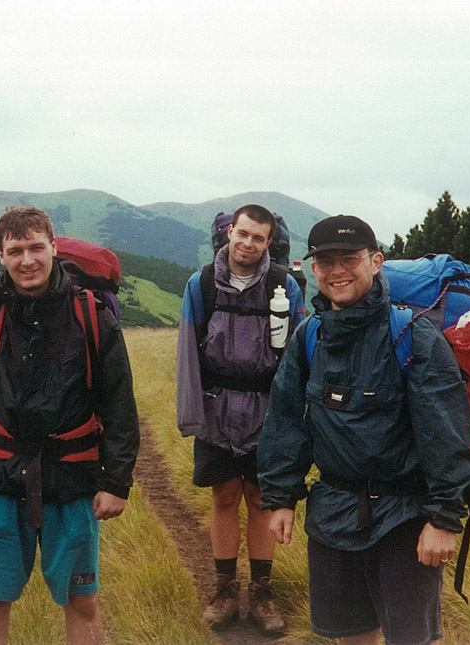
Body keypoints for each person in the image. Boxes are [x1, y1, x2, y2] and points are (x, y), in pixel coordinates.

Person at [257, 215, 470, 645]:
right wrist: (280, 497)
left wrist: (444, 519)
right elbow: (285, 420)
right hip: (333, 514)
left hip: (405, 519)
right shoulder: (309, 337)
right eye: (326, 262)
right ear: (313, 269)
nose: (337, 271)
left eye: (350, 259)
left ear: (376, 262)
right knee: (352, 636)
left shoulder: (413, 336)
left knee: (413, 640)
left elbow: (446, 433)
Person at [0, 207, 140, 645]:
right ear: (0, 255)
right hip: (1, 481)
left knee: (81, 602)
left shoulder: (93, 319)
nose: (27, 260)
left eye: (35, 248)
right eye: (15, 251)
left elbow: (120, 406)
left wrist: (116, 481)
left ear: (53, 248)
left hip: (73, 482)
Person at [175, 204, 304, 634]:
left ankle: (262, 594)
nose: (248, 243)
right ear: (230, 231)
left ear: (269, 242)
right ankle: (225, 590)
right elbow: (188, 351)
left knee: (262, 499)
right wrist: (192, 415)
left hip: (269, 412)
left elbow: (298, 356)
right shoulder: (201, 285)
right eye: (243, 233)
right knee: (225, 496)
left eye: (258, 238)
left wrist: (296, 421)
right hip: (217, 409)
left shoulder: (285, 286)